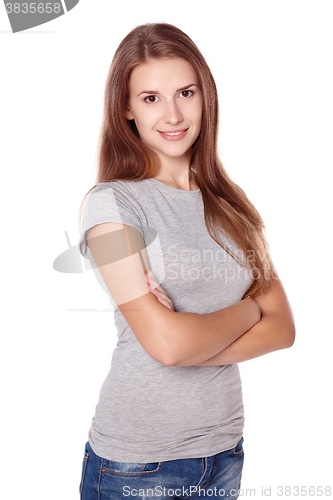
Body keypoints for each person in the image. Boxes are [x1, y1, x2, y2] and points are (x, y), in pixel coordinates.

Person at [77, 23, 295, 500]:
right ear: (126, 109)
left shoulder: (231, 203)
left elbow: (284, 330)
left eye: (186, 92)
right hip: (138, 465)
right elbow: (170, 348)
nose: (173, 114)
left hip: (225, 451)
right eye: (151, 97)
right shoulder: (111, 207)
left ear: (205, 97)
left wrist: (190, 338)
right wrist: (248, 311)